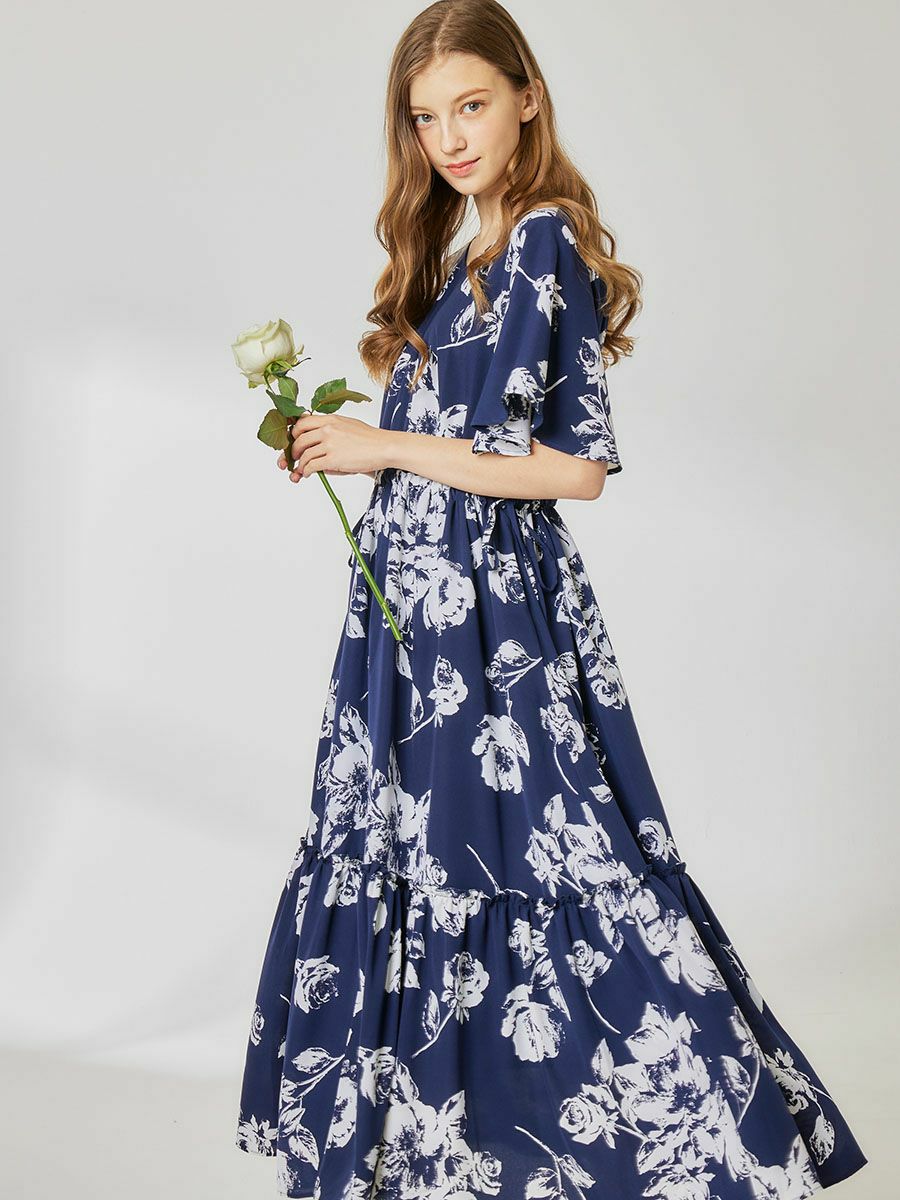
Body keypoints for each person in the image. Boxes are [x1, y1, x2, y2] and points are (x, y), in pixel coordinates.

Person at [235, 3, 868, 1197]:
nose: (449, 138)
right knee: (425, 859)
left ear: (527, 97)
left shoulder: (540, 240)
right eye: (426, 118)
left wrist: (388, 448)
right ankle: (442, 1154)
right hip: (413, 616)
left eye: (471, 105)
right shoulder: (453, 257)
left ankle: (700, 1146)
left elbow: (574, 469)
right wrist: (347, 450)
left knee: (542, 856)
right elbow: (454, 448)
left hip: (491, 619)